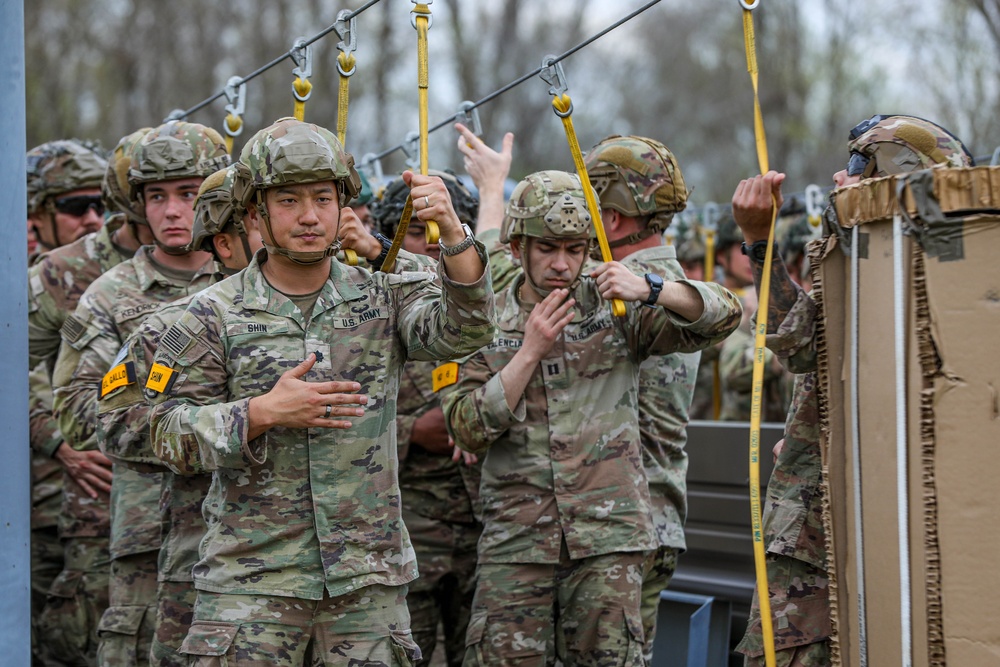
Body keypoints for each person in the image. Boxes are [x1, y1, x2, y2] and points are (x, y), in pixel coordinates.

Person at [145, 117, 495, 666]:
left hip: (366, 586)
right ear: (256, 212)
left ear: (342, 206)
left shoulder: (384, 297)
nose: (309, 216)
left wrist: (452, 231)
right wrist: (259, 413)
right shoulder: (211, 314)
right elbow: (163, 434)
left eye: (323, 198)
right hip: (251, 585)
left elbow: (467, 331)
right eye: (288, 200)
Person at [439, 169, 741, 665]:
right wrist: (528, 353)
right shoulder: (481, 318)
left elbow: (723, 314)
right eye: (548, 248)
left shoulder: (614, 307)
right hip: (517, 545)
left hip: (609, 542)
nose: (563, 264)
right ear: (517, 247)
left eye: (575, 250)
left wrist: (652, 288)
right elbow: (466, 429)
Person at [731, 114, 974, 667]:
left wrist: (760, 242)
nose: (841, 179)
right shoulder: (872, 264)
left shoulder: (900, 269)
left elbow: (792, 342)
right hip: (836, 522)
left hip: (831, 534)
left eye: (861, 167)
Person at [50, 120, 228, 667]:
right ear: (138, 205)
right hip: (153, 529)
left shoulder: (253, 279)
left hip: (253, 526)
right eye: (157, 196)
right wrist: (200, 425)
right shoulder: (112, 296)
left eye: (188, 194)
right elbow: (78, 412)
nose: (173, 211)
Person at [585, 134, 741, 664]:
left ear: (610, 219)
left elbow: (723, 309)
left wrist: (646, 288)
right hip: (629, 522)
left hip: (629, 525)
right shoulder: (639, 283)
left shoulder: (651, 290)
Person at [370, 172, 484, 667]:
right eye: (417, 231)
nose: (432, 245)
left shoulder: (485, 304)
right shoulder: (370, 306)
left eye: (447, 228)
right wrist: (411, 432)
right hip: (405, 530)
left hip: (484, 528)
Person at [715, 211, 790, 422]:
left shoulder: (778, 293)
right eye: (742, 248)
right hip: (733, 432)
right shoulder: (712, 302)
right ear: (721, 255)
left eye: (758, 248)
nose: (750, 257)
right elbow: (731, 367)